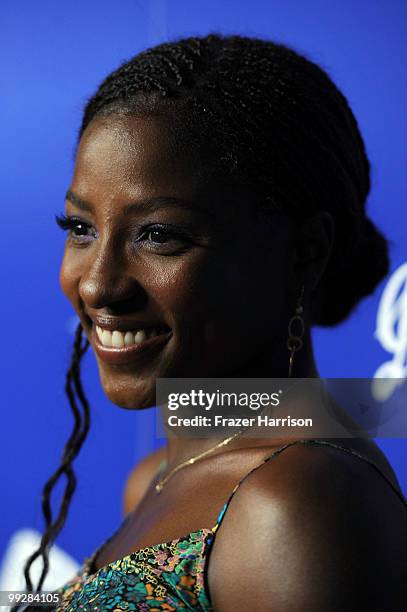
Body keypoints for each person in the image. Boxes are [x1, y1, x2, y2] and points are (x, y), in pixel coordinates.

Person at [17, 33, 407, 611]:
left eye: (159, 235)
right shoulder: (159, 474)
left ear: (305, 253)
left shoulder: (297, 505)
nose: (98, 284)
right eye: (81, 228)